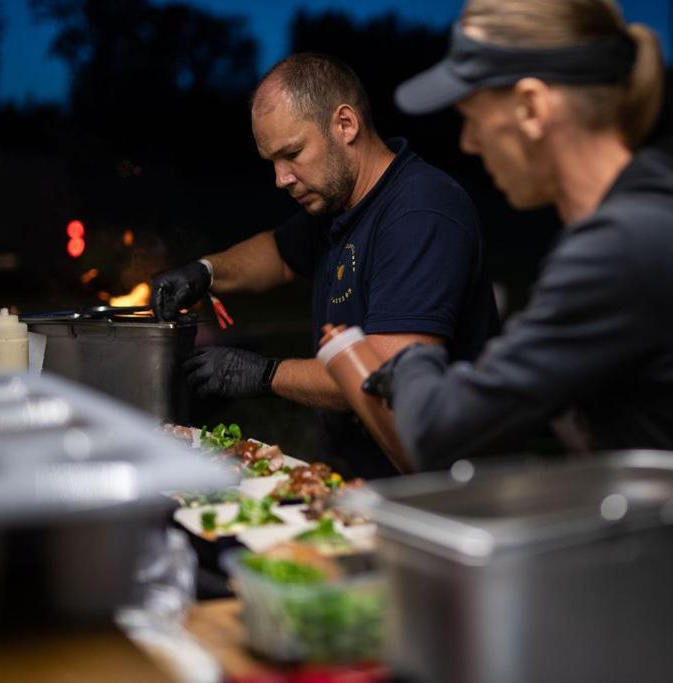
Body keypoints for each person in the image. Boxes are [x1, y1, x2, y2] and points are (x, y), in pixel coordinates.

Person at [364, 1, 673, 680]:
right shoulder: (672, 205)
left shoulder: (628, 246)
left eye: (473, 116)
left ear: (532, 107)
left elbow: (444, 429)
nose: (469, 144)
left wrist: (408, 358)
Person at [151, 53, 499, 479]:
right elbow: (277, 252)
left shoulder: (420, 211)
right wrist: (205, 271)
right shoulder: (339, 203)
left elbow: (385, 374)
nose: (281, 179)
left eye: (292, 153)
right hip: (356, 477)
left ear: (345, 124)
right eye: (272, 162)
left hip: (437, 490)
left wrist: (263, 374)